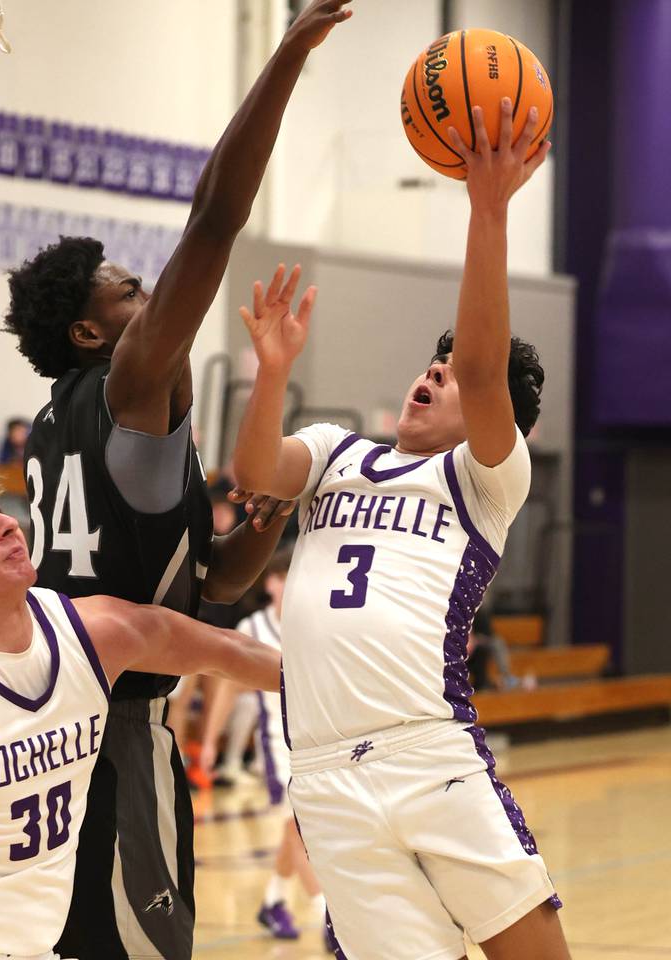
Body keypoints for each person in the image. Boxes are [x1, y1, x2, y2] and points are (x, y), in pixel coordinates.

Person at [3, 5, 354, 958]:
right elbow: (215, 218)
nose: (157, 297)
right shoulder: (126, 387)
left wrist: (266, 520)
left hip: (60, 726)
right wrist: (288, 55)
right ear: (91, 333)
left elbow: (215, 584)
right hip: (118, 734)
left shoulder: (55, 425)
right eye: (132, 294)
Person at [230, 99, 571, 960]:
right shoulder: (334, 450)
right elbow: (256, 472)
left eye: (452, 376)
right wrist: (270, 373)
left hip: (429, 753)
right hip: (324, 773)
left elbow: (486, 373)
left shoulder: (486, 479)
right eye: (433, 363)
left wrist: (487, 210)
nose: (436, 373)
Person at [0, 456, 281, 960]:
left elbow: (230, 653)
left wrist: (351, 692)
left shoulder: (92, 633)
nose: (6, 524)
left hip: (36, 948)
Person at [201, 546, 326, 942]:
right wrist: (209, 743)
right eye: (289, 578)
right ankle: (328, 916)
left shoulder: (316, 621)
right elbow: (227, 689)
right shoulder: (253, 628)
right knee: (299, 829)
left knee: (297, 830)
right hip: (278, 749)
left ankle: (274, 901)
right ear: (272, 583)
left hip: (319, 745)